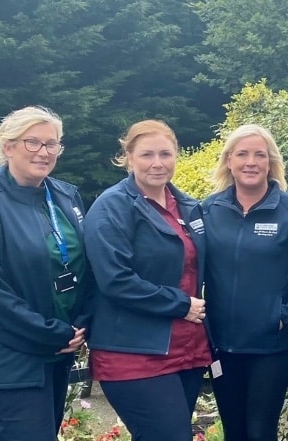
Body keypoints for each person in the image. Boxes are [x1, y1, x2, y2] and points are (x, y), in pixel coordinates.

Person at [0, 106, 91, 440]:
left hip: (57, 350)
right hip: (4, 357)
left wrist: (80, 323)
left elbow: (84, 265)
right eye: (33, 142)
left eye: (52, 144)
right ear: (8, 147)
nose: (44, 152)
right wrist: (48, 333)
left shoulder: (66, 195)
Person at [83, 120, 211, 440]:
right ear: (128, 157)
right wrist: (181, 304)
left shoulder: (188, 206)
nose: (157, 163)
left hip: (186, 348)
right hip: (133, 352)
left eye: (166, 154)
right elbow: (115, 279)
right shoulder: (112, 207)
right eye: (147, 155)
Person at [201, 124, 288, 441]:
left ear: (271, 163)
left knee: (260, 431)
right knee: (234, 432)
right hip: (222, 345)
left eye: (259, 155)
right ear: (229, 161)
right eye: (242, 154)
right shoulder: (209, 210)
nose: (250, 162)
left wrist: (287, 315)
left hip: (272, 344)